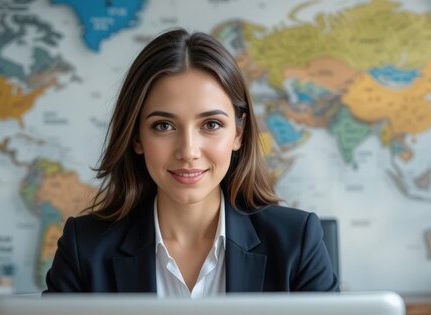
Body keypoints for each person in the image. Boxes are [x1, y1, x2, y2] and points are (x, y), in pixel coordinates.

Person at [44, 28, 339, 297]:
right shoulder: (84, 248)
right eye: (163, 126)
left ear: (238, 133)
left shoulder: (298, 242)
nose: (188, 150)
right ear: (136, 138)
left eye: (211, 124)